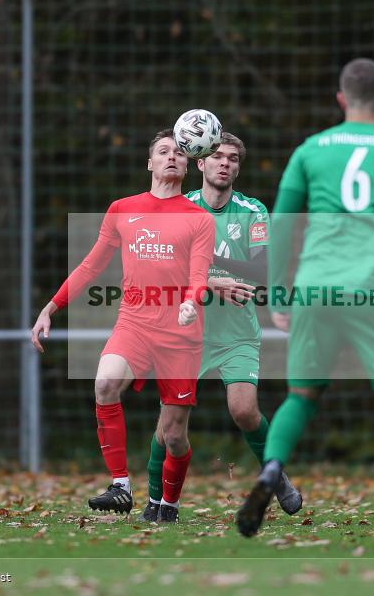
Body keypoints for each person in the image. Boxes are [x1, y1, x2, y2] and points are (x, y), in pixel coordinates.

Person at [235, 58, 374, 551]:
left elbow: (283, 223)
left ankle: (271, 472)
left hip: (316, 287)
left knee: (300, 398)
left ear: (340, 99)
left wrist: (279, 291)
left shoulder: (312, 150)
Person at [30, 129, 214, 523]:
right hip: (134, 323)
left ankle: (170, 504)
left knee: (174, 437)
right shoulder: (123, 209)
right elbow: (90, 265)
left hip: (180, 334)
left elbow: (200, 273)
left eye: (179, 153)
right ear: (149, 163)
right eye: (163, 152)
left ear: (188, 165)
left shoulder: (198, 218)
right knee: (105, 383)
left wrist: (190, 300)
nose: (171, 158)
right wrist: (51, 307)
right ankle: (121, 486)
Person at [139, 132, 303, 521]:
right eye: (217, 157)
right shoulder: (179, 207)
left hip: (236, 332)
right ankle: (152, 499)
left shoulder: (252, 210)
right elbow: (159, 270)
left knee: (244, 410)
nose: (224, 163)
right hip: (185, 330)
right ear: (200, 163)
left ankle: (275, 476)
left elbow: (263, 269)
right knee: (168, 428)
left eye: (232, 158)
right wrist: (208, 280)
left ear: (237, 168)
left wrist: (207, 258)